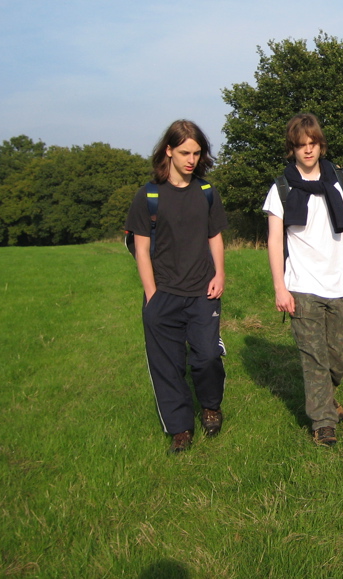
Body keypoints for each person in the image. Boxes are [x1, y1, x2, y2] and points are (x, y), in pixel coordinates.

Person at [126, 120, 229, 455]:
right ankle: (180, 428)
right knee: (167, 365)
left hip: (203, 290)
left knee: (207, 356)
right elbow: (141, 249)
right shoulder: (149, 196)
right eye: (185, 152)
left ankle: (210, 405)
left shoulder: (206, 192)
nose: (191, 159)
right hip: (163, 293)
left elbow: (215, 238)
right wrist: (152, 295)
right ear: (168, 150)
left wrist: (220, 274)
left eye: (197, 153)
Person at [264, 113, 343, 447]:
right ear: (292, 149)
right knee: (313, 357)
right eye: (300, 146)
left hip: (338, 281)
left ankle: (325, 395)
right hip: (301, 285)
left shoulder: (339, 179)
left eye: (312, 144)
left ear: (320, 145)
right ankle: (323, 421)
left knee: (342, 351)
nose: (307, 151)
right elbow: (274, 240)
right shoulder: (281, 187)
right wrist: (280, 286)